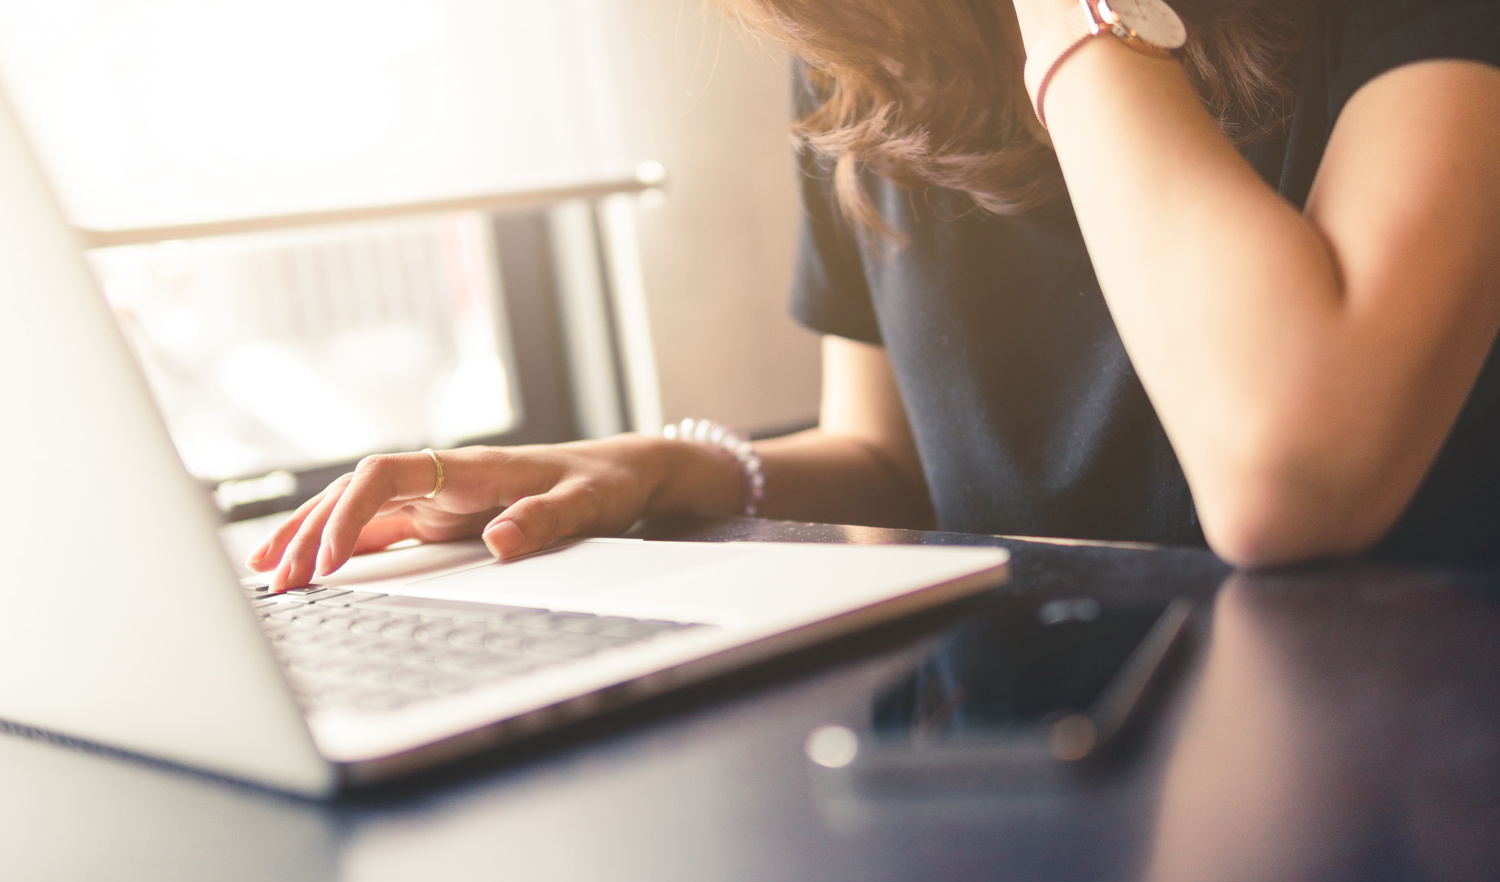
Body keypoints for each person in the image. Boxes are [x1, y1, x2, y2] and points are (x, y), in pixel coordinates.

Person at [251, 0, 1500, 592]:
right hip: (1038, 738)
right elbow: (897, 464)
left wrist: (1078, 21)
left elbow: (1296, 470)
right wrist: (654, 470)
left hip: (1391, 762)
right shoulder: (870, 43)